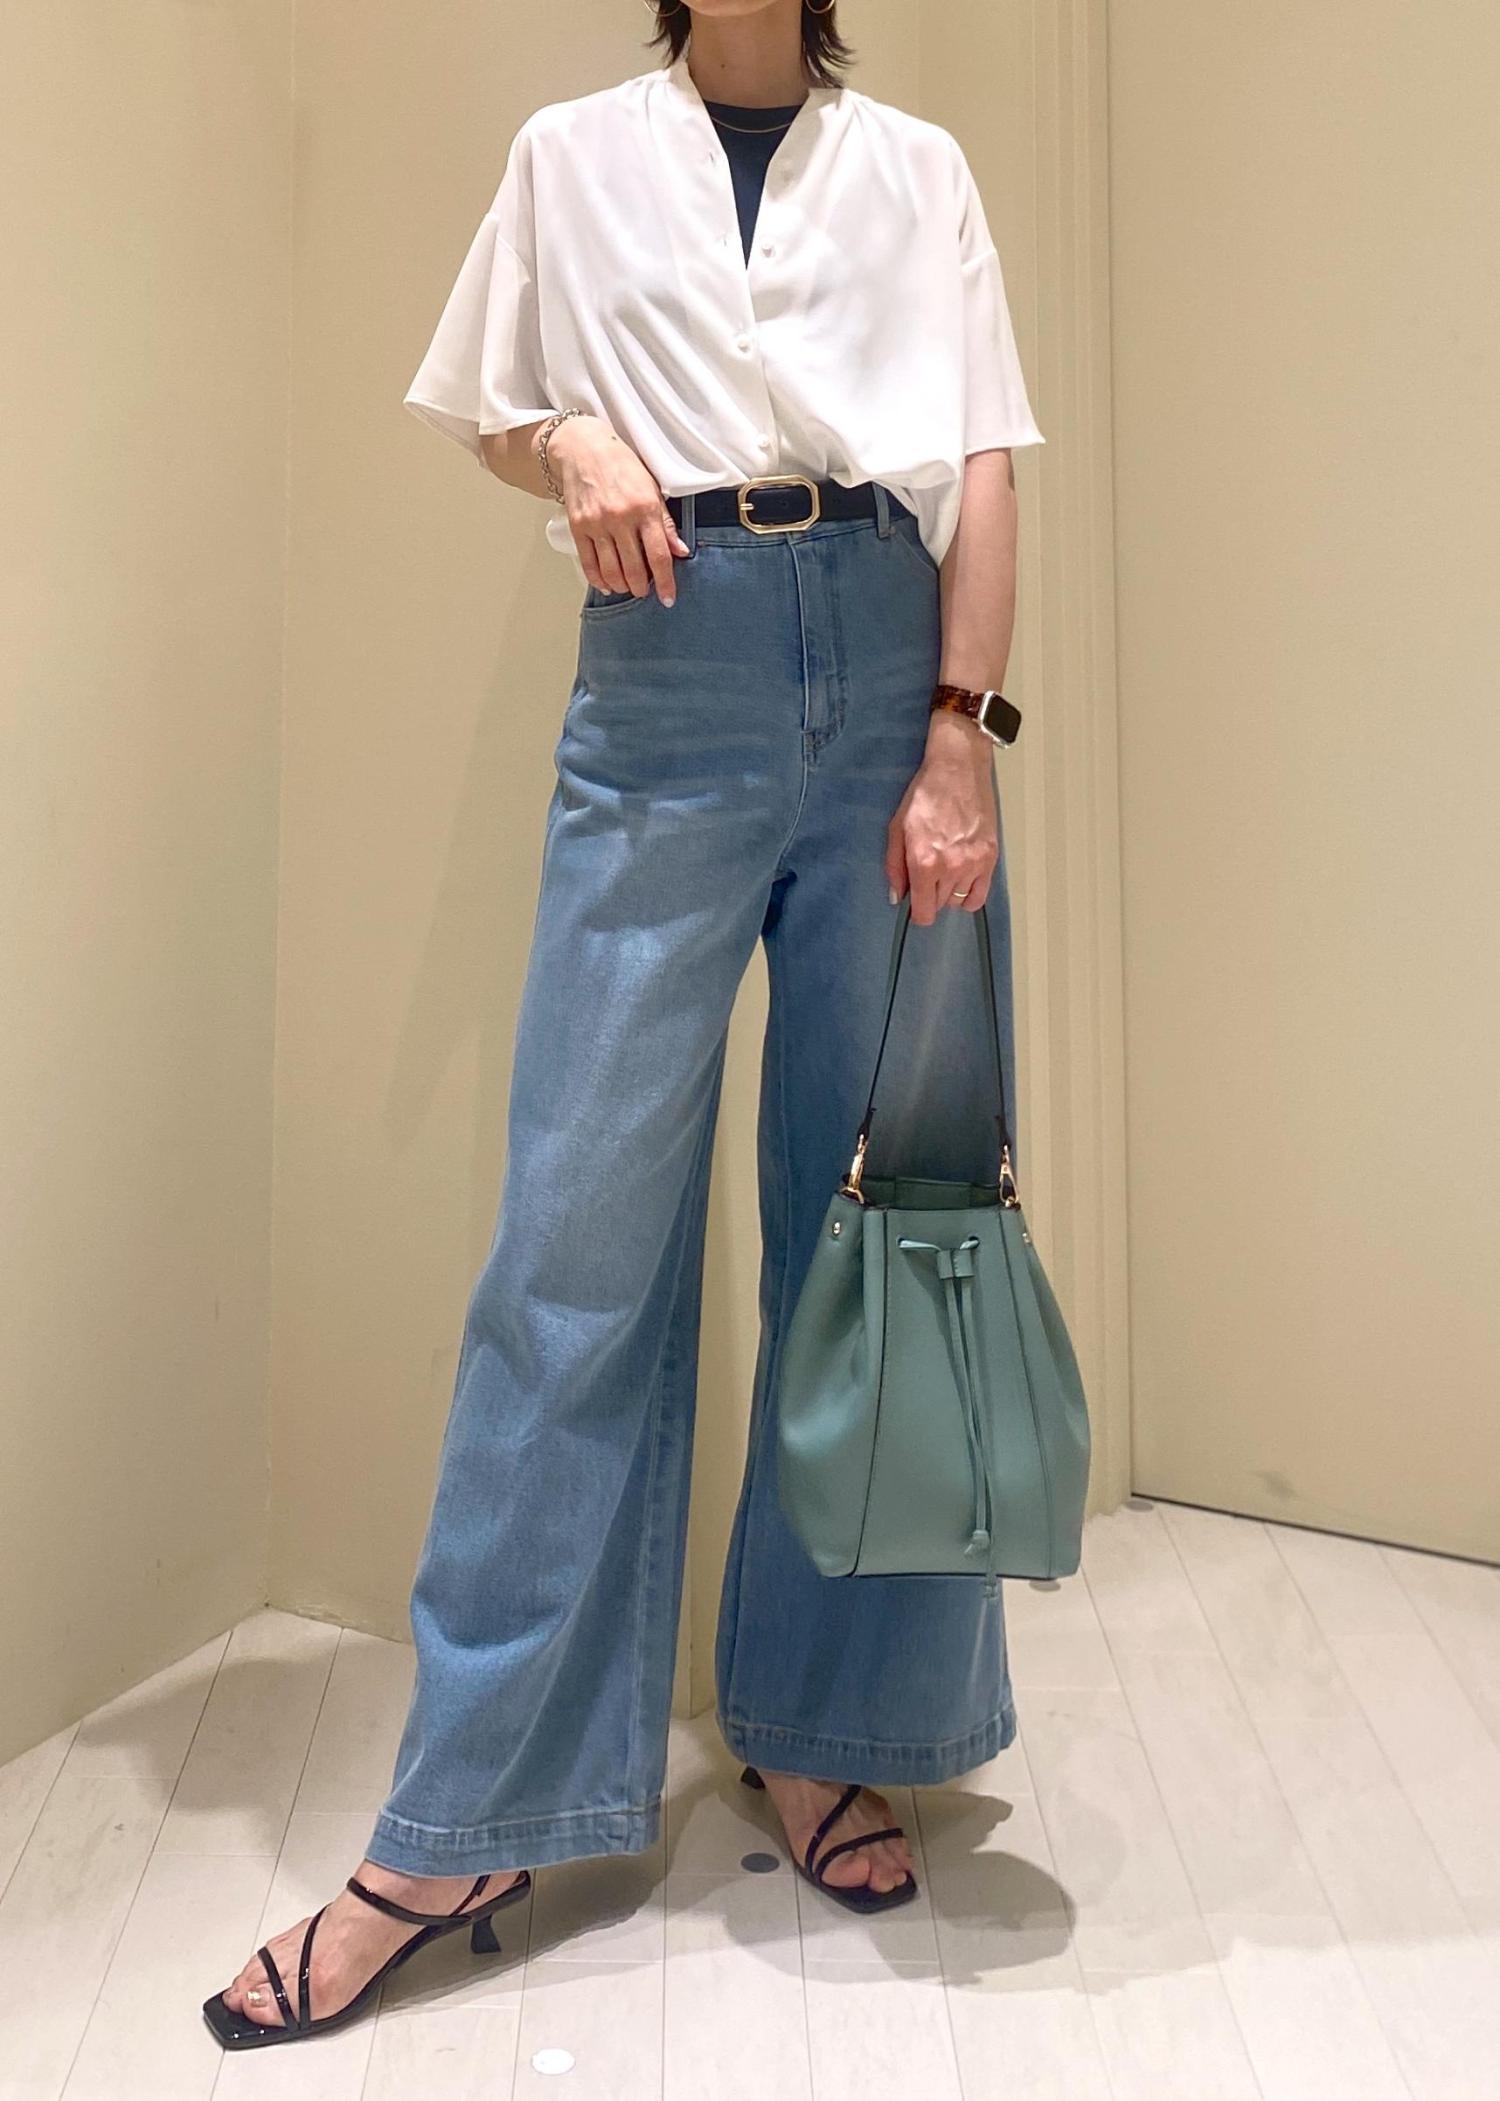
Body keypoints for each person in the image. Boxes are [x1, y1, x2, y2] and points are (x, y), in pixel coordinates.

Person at [206, 0, 1044, 2048]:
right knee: (568, 1255)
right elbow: (497, 400)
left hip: (889, 664)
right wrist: (567, 440)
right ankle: (471, 1815)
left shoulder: (917, 168)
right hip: (664, 678)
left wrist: (961, 733)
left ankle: (830, 1729)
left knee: (870, 1228)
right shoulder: (570, 152)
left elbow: (983, 459)